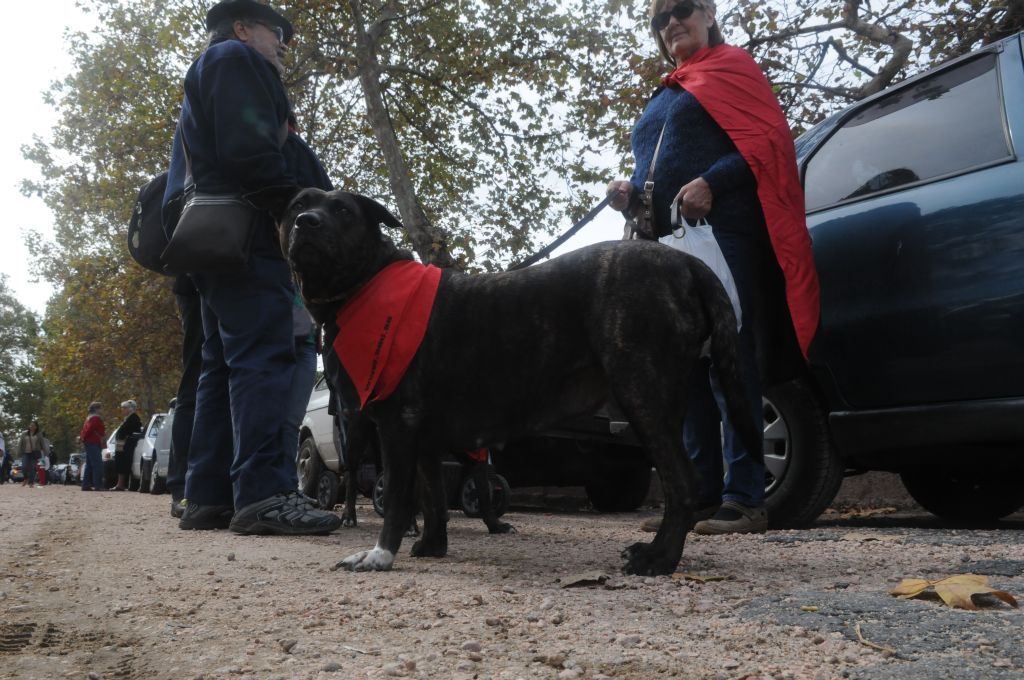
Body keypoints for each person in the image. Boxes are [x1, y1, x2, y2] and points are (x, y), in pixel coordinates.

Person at [607, 0, 819, 535]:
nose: (670, 22)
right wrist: (629, 190)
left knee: (730, 360)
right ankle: (698, 494)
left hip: (724, 235)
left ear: (707, 13)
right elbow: (650, 167)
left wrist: (713, 183)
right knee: (685, 368)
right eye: (659, 19)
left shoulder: (734, 67)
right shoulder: (666, 93)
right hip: (668, 245)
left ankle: (746, 497)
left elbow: (768, 144)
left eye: (680, 10)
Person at [162, 0, 339, 534]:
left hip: (216, 242)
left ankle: (209, 496)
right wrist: (305, 209)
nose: (283, 44)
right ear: (242, 29)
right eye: (275, 32)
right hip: (250, 236)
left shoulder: (217, 68)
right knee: (266, 354)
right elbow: (250, 154)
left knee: (222, 364)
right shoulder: (235, 59)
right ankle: (263, 494)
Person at [111, 400, 142, 491]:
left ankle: (121, 485)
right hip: (122, 445)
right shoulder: (128, 418)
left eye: (124, 408)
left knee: (123, 464)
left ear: (130, 409)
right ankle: (120, 484)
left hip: (127, 446)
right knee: (120, 464)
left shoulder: (134, 418)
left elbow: (129, 431)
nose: (122, 410)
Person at [79, 403, 106, 492]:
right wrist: (84, 438)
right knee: (97, 464)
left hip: (90, 442)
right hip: (93, 442)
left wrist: (82, 438)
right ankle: (98, 485)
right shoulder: (95, 418)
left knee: (89, 464)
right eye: (101, 408)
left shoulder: (90, 417)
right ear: (97, 409)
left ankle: (86, 484)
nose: (102, 410)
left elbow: (86, 430)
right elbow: (89, 430)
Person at [18, 421, 44, 488]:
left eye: (33, 426)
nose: (32, 427)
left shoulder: (39, 434)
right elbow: (20, 443)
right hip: (25, 453)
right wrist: (19, 451)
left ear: (36, 427)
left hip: (34, 453)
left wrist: (44, 452)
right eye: (31, 425)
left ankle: (31, 482)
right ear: (29, 426)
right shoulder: (24, 433)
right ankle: (26, 478)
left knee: (32, 468)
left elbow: (42, 443)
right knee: (24, 467)